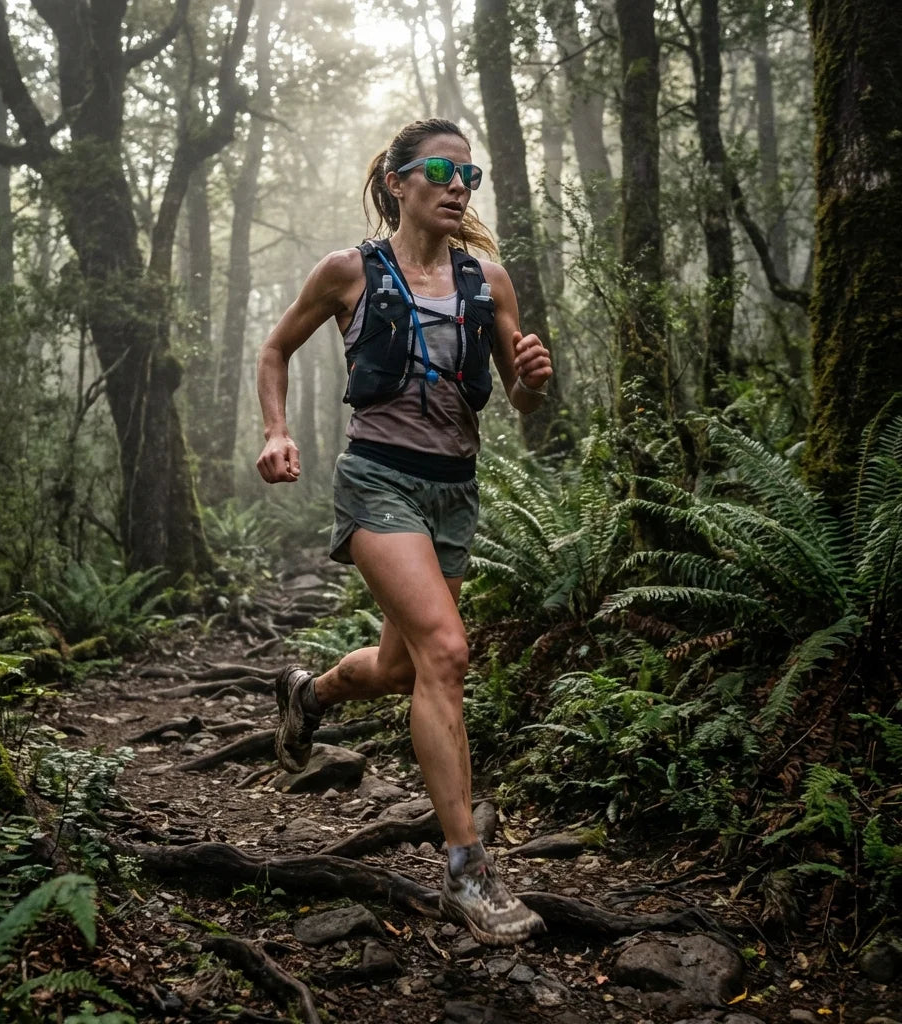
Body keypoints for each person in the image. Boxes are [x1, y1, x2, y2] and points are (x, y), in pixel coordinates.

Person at [255, 118, 552, 946]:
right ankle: (467, 870)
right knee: (447, 654)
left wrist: (529, 379)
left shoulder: (488, 281)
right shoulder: (350, 271)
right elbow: (275, 349)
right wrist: (276, 430)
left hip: (453, 491)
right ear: (398, 181)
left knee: (398, 667)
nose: (459, 187)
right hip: (377, 479)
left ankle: (307, 695)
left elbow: (520, 404)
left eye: (470, 176)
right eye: (442, 172)